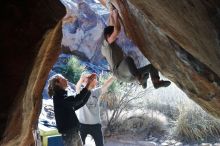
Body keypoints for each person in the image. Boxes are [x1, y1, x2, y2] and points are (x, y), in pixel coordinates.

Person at [101, 8, 171, 89]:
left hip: (130, 75)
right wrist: (116, 15)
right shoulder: (105, 44)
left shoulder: (107, 46)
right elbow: (116, 30)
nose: (116, 38)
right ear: (107, 37)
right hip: (120, 73)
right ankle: (141, 79)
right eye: (113, 36)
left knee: (153, 65)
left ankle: (156, 82)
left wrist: (112, 13)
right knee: (128, 59)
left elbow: (112, 27)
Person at [48, 73, 97, 146]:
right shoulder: (59, 98)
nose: (66, 79)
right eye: (62, 79)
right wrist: (88, 84)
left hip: (74, 132)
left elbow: (81, 102)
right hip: (69, 134)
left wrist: (89, 89)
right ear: (57, 83)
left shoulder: (62, 97)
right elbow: (77, 100)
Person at [75, 73, 115, 146]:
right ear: (85, 82)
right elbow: (77, 87)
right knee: (79, 144)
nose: (94, 81)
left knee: (100, 144)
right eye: (91, 80)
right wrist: (82, 78)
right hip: (82, 125)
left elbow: (105, 85)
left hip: (95, 125)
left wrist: (114, 76)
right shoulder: (81, 92)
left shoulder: (96, 91)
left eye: (94, 80)